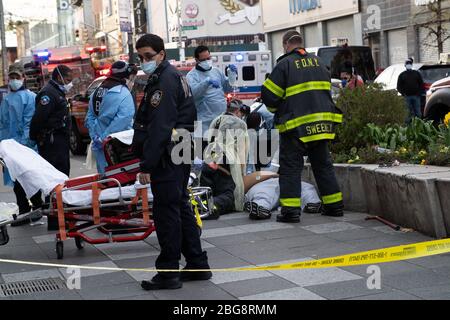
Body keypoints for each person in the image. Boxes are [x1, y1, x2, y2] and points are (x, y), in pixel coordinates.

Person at [132, 34, 211, 291]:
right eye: (141, 57)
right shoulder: (172, 76)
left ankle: (168, 273)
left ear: (162, 54)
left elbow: (160, 127)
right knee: (179, 206)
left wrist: (147, 165)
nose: (144, 61)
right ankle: (197, 264)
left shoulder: (164, 81)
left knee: (167, 213)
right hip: (181, 149)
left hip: (168, 153)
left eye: (148, 56)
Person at [261, 30, 344, 223]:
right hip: (322, 125)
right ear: (301, 43)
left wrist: (277, 109)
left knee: (290, 167)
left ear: (285, 45)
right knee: (323, 165)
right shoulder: (319, 62)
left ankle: (290, 211)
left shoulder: (285, 65)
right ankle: (335, 206)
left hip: (296, 126)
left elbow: (270, 97)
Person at [0, 63, 43, 226]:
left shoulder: (30, 97)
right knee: (16, 182)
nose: (14, 80)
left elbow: (28, 124)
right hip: (10, 147)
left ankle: (37, 207)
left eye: (17, 77)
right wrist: (4, 146)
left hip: (25, 147)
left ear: (23, 78)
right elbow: (3, 124)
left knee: (29, 178)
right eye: (12, 77)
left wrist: (22, 146)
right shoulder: (6, 100)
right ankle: (24, 210)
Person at [85, 61, 137, 174]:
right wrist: (105, 137)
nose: (133, 82)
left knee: (105, 180)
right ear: (127, 77)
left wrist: (95, 136)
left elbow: (90, 116)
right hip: (119, 147)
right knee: (120, 181)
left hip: (99, 145)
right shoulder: (124, 94)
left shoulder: (97, 91)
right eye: (132, 79)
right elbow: (124, 118)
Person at [30, 65, 73, 177]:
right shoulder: (49, 93)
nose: (70, 84)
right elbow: (39, 118)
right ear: (59, 78)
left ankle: (60, 194)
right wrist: (34, 137)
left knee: (63, 174)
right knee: (55, 175)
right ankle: (55, 195)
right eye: (68, 80)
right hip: (52, 142)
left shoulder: (57, 92)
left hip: (60, 140)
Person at [186, 45, 237, 139]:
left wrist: (232, 76)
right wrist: (206, 82)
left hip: (220, 118)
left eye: (208, 58)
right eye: (203, 59)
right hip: (203, 121)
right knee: (202, 149)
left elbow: (228, 89)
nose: (207, 61)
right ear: (197, 60)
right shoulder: (191, 76)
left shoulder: (216, 71)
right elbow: (194, 94)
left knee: (220, 149)